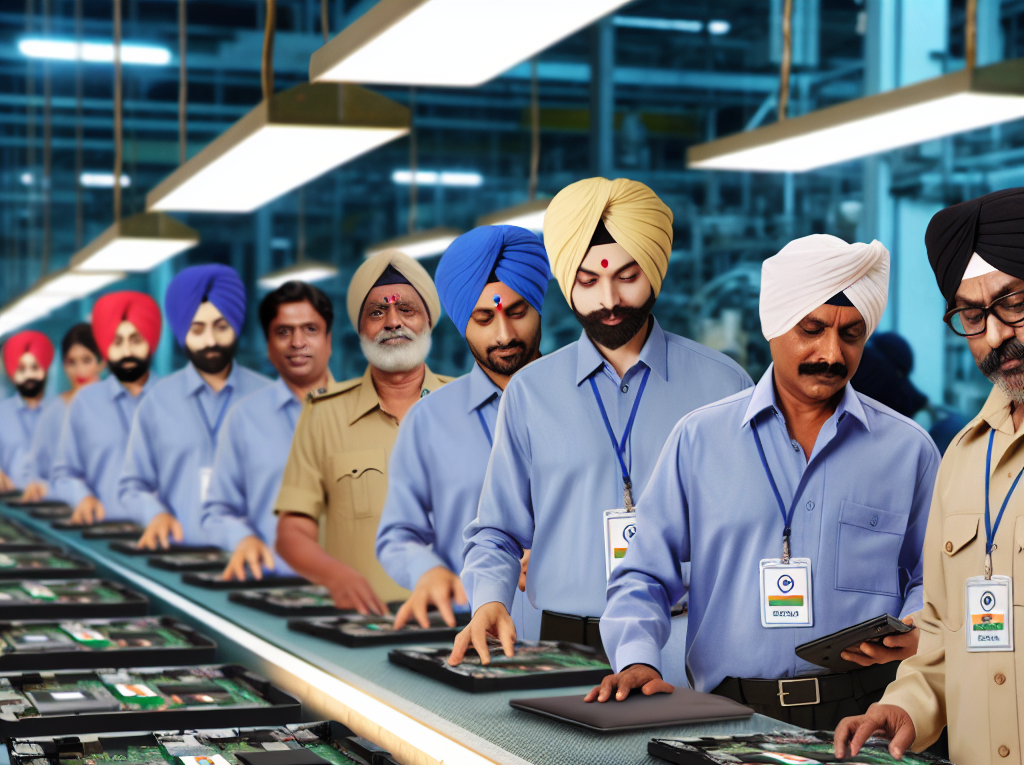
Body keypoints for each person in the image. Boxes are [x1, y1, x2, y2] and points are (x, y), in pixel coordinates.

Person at [591, 234, 940, 729]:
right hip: (728, 712)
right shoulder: (700, 439)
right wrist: (637, 658)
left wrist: (918, 624)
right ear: (773, 326)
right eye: (812, 329)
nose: (831, 353)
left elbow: (932, 577)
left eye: (851, 334)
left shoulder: (908, 451)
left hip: (866, 714)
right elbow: (644, 573)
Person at [451, 177, 753, 667]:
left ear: (656, 271)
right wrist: (489, 599)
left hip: (683, 646)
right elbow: (497, 531)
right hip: (560, 649)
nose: (609, 299)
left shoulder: (725, 387)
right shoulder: (530, 392)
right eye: (588, 281)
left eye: (627, 276)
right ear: (566, 281)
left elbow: (751, 530)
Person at [833, 188, 1024, 765]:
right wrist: (906, 705)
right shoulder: (963, 459)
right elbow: (943, 630)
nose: (996, 335)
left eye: (1014, 303)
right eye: (972, 316)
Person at [376, 225, 547, 635]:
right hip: (474, 643)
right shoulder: (428, 421)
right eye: (483, 318)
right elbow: (398, 535)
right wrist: (428, 570)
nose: (504, 334)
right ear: (460, 321)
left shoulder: (586, 402)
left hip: (587, 640)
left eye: (518, 312)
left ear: (541, 307)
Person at [276, 249, 451, 613]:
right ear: (360, 328)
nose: (392, 322)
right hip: (363, 630)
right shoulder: (323, 415)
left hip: (462, 625)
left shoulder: (470, 407)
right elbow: (292, 533)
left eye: (406, 309)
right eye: (376, 312)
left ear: (428, 321)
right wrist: (335, 575)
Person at [119, 264, 270, 548]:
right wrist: (155, 514)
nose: (210, 340)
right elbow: (132, 486)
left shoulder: (271, 399)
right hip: (177, 564)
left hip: (259, 566)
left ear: (236, 326)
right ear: (181, 332)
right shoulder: (157, 402)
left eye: (221, 327)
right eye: (197, 329)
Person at [202, 280, 333, 581]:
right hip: (269, 591)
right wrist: (242, 539)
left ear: (329, 339)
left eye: (310, 329)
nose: (297, 342)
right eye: (283, 332)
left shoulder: (368, 411)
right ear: (269, 345)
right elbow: (217, 512)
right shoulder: (244, 418)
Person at [52, 291, 163, 524]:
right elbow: (63, 474)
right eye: (117, 342)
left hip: (170, 540)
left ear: (150, 342)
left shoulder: (176, 400)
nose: (127, 352)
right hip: (103, 535)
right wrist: (81, 497)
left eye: (136, 340)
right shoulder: (85, 402)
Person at [21, 323, 105, 502]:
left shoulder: (117, 409)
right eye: (71, 362)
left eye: (86, 360)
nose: (79, 370)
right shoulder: (54, 413)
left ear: (101, 362)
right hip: (63, 508)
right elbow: (34, 467)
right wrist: (36, 485)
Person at [0, 331, 56, 491]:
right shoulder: (1, 413)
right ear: (12, 373)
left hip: (51, 505)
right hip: (9, 507)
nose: (29, 375)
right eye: (21, 369)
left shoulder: (57, 415)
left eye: (34, 367)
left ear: (44, 370)